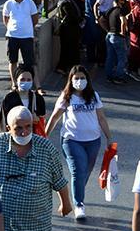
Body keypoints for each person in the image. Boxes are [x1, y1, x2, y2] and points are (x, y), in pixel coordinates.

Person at [46, 65, 113, 220]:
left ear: (87, 80)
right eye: (76, 78)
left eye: (82, 78)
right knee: (78, 171)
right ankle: (79, 205)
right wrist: (45, 136)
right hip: (71, 140)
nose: (79, 81)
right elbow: (55, 117)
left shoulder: (94, 96)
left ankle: (78, 192)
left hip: (93, 141)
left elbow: (101, 118)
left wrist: (109, 137)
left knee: (85, 172)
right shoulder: (66, 97)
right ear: (71, 80)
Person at [3, 0, 43, 93]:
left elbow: (35, 19)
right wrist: (11, 28)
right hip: (12, 36)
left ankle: (37, 86)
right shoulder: (8, 4)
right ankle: (14, 83)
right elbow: (5, 19)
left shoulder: (30, 3)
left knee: (30, 62)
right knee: (12, 61)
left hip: (26, 36)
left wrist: (27, 28)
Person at [0, 64, 46, 134]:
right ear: (16, 80)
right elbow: (3, 122)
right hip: (14, 136)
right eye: (22, 79)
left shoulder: (38, 99)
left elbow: (42, 120)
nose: (26, 82)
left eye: (29, 80)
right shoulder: (9, 99)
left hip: (33, 138)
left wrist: (36, 118)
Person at [56, 0, 84, 75]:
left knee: (70, 49)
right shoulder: (65, 3)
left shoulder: (68, 1)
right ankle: (64, 68)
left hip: (71, 29)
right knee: (68, 49)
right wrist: (79, 19)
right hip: (68, 30)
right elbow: (70, 16)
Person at [105, 0, 130, 84]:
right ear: (120, 1)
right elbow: (123, 21)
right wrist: (123, 33)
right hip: (117, 37)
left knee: (110, 57)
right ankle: (118, 77)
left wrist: (107, 29)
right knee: (122, 58)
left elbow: (101, 19)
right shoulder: (120, 10)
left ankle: (109, 75)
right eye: (123, 0)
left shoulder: (110, 10)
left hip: (109, 35)